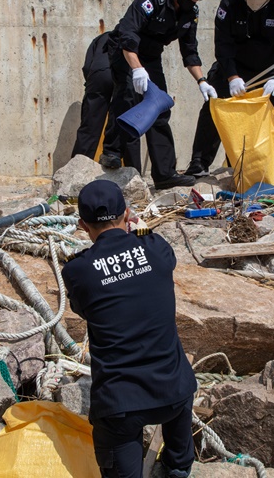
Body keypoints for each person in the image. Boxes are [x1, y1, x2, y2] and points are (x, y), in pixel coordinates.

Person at [62, 180, 197, 478]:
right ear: (126, 214)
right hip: (174, 391)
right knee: (179, 430)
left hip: (120, 404)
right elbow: (161, 257)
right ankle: (178, 467)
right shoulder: (156, 248)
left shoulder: (77, 270)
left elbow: (83, 309)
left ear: (82, 225)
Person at [185, 0, 274, 176]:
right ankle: (199, 164)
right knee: (214, 103)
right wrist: (232, 77)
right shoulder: (230, 3)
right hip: (236, 66)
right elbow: (223, 44)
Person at [101, 0, 215, 190]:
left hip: (151, 56)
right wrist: (137, 69)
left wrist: (202, 81)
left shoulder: (190, 12)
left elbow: (189, 51)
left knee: (159, 107)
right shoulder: (151, 0)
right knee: (127, 96)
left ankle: (164, 174)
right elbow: (128, 34)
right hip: (125, 51)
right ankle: (111, 152)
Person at [70, 32, 130, 165]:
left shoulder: (100, 39)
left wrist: (90, 85)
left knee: (90, 126)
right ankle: (133, 170)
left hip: (99, 74)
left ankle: (77, 168)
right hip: (125, 75)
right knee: (127, 125)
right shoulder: (132, 35)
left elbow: (87, 66)